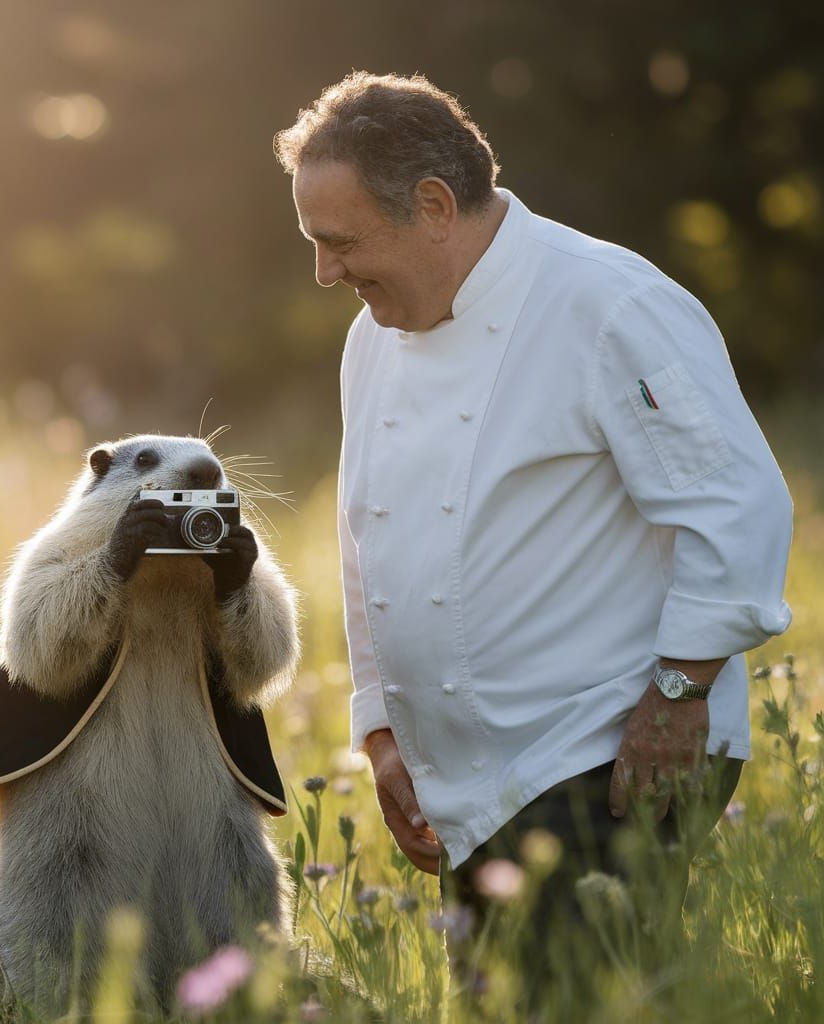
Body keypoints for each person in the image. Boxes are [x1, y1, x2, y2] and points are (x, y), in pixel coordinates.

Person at [274, 71, 793, 1004]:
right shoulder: (372, 337)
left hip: (608, 748)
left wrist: (679, 695)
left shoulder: (608, 303)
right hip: (461, 779)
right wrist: (382, 727)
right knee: (497, 1001)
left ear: (433, 205)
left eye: (339, 242)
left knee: (568, 1000)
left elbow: (735, 504)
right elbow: (367, 538)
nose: (325, 273)